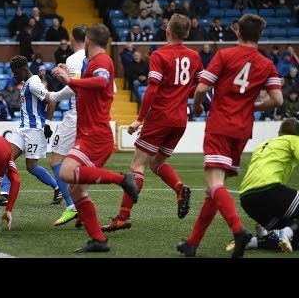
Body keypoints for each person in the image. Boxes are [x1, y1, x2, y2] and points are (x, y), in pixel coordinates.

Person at [177, 14, 283, 258]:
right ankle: (192, 243)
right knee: (214, 190)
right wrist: (252, 106)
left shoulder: (224, 55)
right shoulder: (267, 64)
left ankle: (239, 230)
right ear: (260, 36)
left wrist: (195, 107)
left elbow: (202, 87)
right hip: (243, 129)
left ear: (238, 32)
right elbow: (277, 99)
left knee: (214, 185)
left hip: (220, 124)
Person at [102, 14, 203, 233]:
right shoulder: (194, 56)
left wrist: (140, 119)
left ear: (167, 30)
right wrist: (187, 95)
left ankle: (122, 217)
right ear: (186, 34)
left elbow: (153, 89)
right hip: (180, 120)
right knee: (157, 164)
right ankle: (179, 188)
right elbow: (203, 84)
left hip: (160, 117)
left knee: (137, 166)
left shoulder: (159, 55)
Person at [50, 24, 138, 253]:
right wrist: (68, 78)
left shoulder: (102, 62)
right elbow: (88, 90)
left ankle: (123, 180)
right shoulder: (93, 63)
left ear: (88, 41)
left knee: (66, 173)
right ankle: (98, 240)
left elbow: (99, 83)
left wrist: (70, 81)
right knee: (77, 190)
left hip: (95, 135)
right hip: (89, 133)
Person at [0, 55, 62, 206]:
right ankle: (4, 194)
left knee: (31, 166)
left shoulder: (34, 83)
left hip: (34, 129)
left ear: (23, 69)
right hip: (22, 128)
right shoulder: (26, 82)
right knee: (5, 158)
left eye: (16, 73)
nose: (14, 76)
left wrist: (47, 124)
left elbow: (51, 100)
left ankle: (57, 187)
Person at [234, 118, 299, 253]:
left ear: (279, 132)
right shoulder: (293, 140)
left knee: (295, 238)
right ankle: (286, 232)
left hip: (247, 199)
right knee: (290, 231)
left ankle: (253, 242)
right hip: (269, 190)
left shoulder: (263, 145)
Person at [46, 24, 88, 226]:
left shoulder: (74, 58)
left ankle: (72, 206)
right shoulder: (95, 57)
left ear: (72, 38)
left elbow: (74, 88)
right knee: (77, 163)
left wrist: (54, 95)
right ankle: (83, 207)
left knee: (55, 161)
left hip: (75, 116)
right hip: (91, 115)